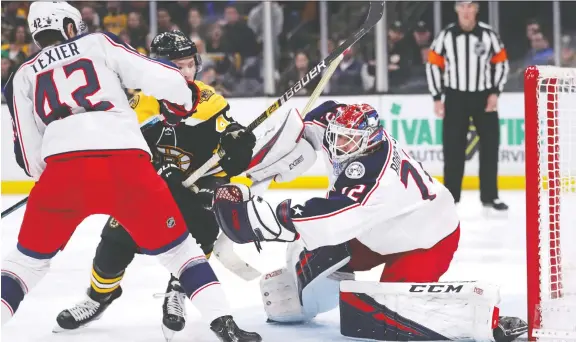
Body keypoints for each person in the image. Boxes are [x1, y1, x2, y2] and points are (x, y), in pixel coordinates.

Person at [0, 3, 260, 342]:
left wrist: (57, 178)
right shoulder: (98, 43)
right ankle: (224, 324)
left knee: (23, 266)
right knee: (179, 253)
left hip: (63, 172)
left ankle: (167, 296)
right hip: (126, 167)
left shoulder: (21, 76)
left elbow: (31, 159)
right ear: (68, 28)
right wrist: (183, 100)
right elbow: (160, 78)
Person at [211, 101, 528, 341]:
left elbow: (328, 215)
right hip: (376, 230)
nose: (338, 144)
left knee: (382, 315)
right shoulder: (347, 128)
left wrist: (252, 221)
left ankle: (490, 321)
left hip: (427, 240)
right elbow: (313, 122)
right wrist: (253, 160)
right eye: (338, 136)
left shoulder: (376, 179)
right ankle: (304, 297)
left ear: (369, 142)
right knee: (311, 255)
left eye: (348, 141)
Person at [426, 1, 509, 213]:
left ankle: (490, 197)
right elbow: (433, 64)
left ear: (476, 9)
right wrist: (437, 96)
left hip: (483, 96)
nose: (465, 11)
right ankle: (450, 197)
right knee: (452, 147)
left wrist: (495, 92)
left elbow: (501, 63)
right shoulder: (446, 36)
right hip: (455, 97)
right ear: (456, 9)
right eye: (461, 6)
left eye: (470, 6)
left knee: (490, 146)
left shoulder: (489, 35)